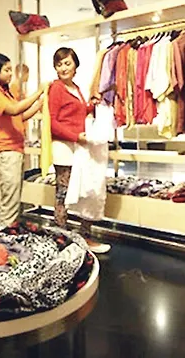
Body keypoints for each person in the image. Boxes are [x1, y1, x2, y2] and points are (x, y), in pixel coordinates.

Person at [48, 47, 111, 254]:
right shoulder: (57, 88)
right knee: (63, 194)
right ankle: (61, 239)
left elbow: (78, 112)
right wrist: (77, 137)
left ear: (75, 65)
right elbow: (52, 123)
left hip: (79, 147)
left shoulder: (75, 88)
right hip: (64, 148)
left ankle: (83, 236)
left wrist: (92, 105)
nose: (63, 68)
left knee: (84, 191)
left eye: (67, 63)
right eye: (59, 64)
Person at [0, 53, 44, 227]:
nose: (10, 73)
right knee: (10, 202)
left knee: (14, 199)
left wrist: (39, 104)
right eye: (7, 70)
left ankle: (9, 234)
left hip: (14, 149)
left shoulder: (5, 93)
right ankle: (3, 237)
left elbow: (20, 117)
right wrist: (38, 92)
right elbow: (14, 110)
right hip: (5, 151)